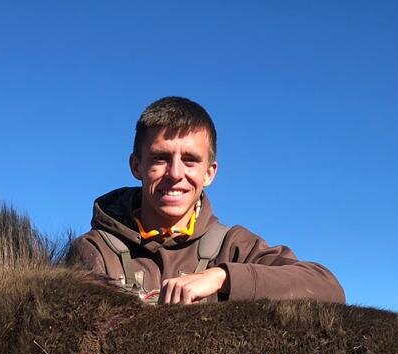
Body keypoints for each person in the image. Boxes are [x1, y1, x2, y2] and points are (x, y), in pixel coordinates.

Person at [69, 96, 344, 305]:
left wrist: (222, 277)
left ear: (209, 173)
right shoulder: (95, 250)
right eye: (160, 158)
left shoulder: (234, 246)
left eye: (190, 160)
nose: (175, 174)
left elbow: (328, 287)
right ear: (136, 166)